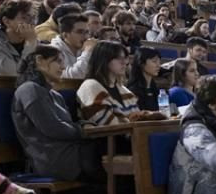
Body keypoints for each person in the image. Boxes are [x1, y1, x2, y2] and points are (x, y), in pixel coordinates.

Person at [12, 44, 101, 181]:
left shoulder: (55, 95)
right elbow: (53, 128)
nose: (64, 67)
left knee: (116, 145)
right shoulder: (29, 90)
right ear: (40, 60)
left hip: (70, 151)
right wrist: (84, 131)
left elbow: (68, 124)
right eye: (58, 61)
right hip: (53, 159)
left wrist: (85, 125)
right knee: (110, 149)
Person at [77, 41, 144, 126]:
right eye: (118, 58)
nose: (124, 62)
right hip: (109, 138)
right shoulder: (90, 86)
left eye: (125, 58)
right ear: (104, 60)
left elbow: (140, 120)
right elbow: (106, 124)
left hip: (133, 136)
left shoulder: (124, 90)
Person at [50, 13, 96, 79]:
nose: (86, 37)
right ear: (65, 35)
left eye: (87, 32)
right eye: (80, 32)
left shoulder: (84, 47)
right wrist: (87, 52)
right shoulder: (53, 51)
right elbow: (74, 77)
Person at [128, 47, 163, 111]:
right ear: (142, 63)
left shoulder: (155, 88)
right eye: (154, 61)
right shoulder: (133, 91)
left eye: (159, 62)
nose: (158, 65)